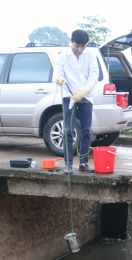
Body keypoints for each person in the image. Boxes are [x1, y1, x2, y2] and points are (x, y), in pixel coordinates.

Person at [53, 29, 99, 174]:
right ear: (71, 41)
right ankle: (68, 165)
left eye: (82, 46)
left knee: (86, 131)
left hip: (86, 96)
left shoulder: (91, 55)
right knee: (68, 131)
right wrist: (59, 80)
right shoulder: (62, 56)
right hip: (69, 96)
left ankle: (84, 163)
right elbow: (56, 75)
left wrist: (84, 91)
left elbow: (94, 75)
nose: (79, 49)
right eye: (76, 46)